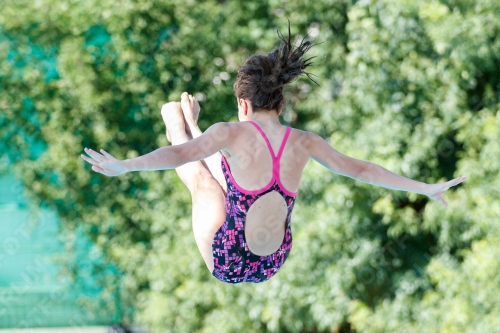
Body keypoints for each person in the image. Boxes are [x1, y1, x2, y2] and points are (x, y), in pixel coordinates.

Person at [80, 24, 467, 284]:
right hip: (272, 261)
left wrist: (127, 166)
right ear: (279, 105)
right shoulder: (305, 141)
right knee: (225, 171)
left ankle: (181, 121)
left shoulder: (230, 132)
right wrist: (424, 187)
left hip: (227, 256)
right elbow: (362, 169)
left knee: (202, 178)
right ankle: (192, 124)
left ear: (243, 105)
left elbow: (180, 155)